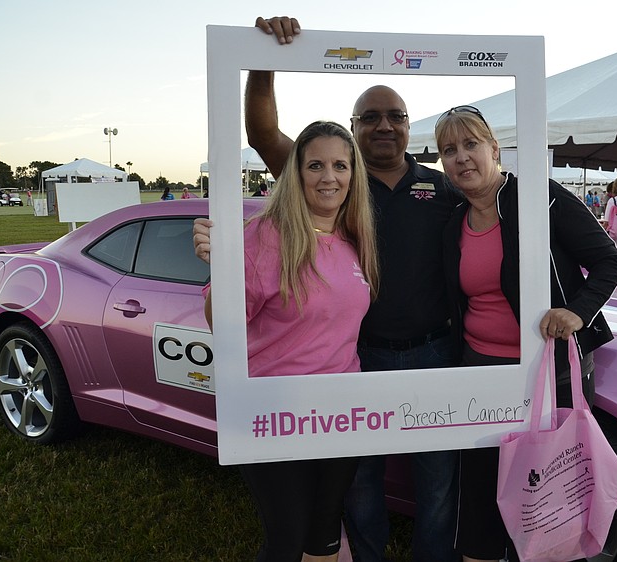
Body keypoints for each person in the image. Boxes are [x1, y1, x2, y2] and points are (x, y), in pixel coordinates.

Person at [196, 16, 464, 562]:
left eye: (395, 116)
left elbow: (493, 220)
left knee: (435, 487)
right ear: (354, 127)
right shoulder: (332, 188)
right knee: (355, 496)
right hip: (345, 371)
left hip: (428, 356)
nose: (384, 125)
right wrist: (263, 54)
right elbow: (263, 134)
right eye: (370, 117)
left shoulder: (440, 188)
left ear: (410, 125)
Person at [434, 106, 617, 562]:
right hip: (479, 371)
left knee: (547, 485)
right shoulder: (453, 220)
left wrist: (577, 312)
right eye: (448, 150)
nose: (461, 157)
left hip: (548, 371)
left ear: (495, 149)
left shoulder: (541, 199)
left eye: (471, 144)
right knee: (479, 487)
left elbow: (608, 261)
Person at [202, 120, 379, 562]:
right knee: (287, 540)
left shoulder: (354, 239)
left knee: (323, 539)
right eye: (315, 165)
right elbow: (220, 324)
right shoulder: (264, 236)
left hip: (340, 414)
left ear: (354, 175)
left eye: (340, 165)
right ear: (295, 173)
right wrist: (220, 271)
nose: (329, 177)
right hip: (273, 412)